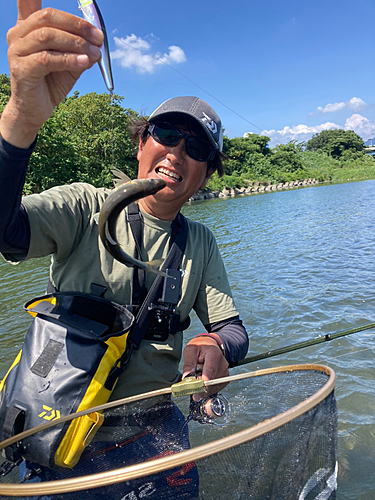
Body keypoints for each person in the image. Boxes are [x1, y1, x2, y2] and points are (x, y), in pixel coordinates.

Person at [0, 1, 248, 497]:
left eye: (196, 149)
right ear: (141, 145)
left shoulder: (199, 240)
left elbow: (232, 328)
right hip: (59, 430)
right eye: (167, 135)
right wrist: (21, 120)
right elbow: (7, 232)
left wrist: (214, 345)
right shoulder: (84, 206)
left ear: (206, 175)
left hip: (156, 433)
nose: (177, 152)